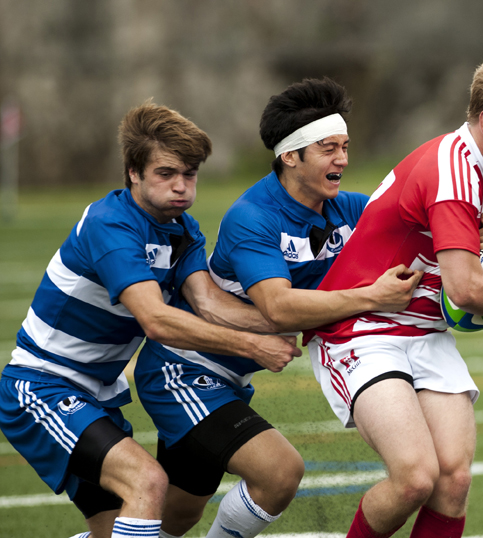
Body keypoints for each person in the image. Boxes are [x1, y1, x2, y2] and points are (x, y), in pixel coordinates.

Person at [133, 78, 483, 538]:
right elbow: (279, 309)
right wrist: (372, 297)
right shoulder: (253, 217)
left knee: (174, 518)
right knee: (279, 473)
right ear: (291, 156)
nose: (343, 160)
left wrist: (479, 249)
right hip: (187, 369)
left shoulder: (349, 208)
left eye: (346, 146)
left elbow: (429, 226)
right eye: (329, 149)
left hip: (234, 378)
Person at [0, 102, 302, 538]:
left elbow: (209, 302)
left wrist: (297, 319)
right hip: (42, 387)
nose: (181, 187)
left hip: (98, 396)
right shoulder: (110, 224)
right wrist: (253, 346)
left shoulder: (183, 229)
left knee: (134, 526)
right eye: (166, 174)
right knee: (148, 481)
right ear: (133, 173)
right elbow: (157, 320)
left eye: (190, 174)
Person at [308, 50, 483, 538]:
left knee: (454, 480)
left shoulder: (478, 169)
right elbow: (466, 289)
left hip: (424, 330)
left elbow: (468, 266)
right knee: (414, 479)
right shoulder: (453, 172)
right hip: (366, 331)